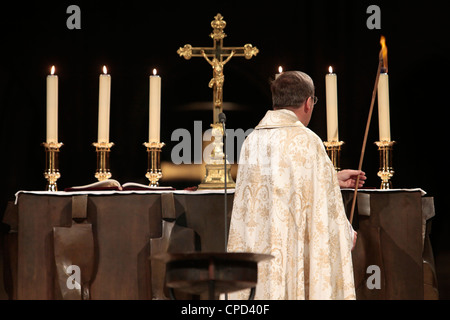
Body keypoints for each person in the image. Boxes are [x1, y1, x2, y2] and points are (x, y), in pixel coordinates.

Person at [227, 71, 366, 300]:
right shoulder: (308, 141)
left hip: (260, 255)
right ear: (308, 103)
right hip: (293, 253)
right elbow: (322, 210)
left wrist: (332, 177)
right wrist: (346, 233)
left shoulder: (252, 141)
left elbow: (275, 186)